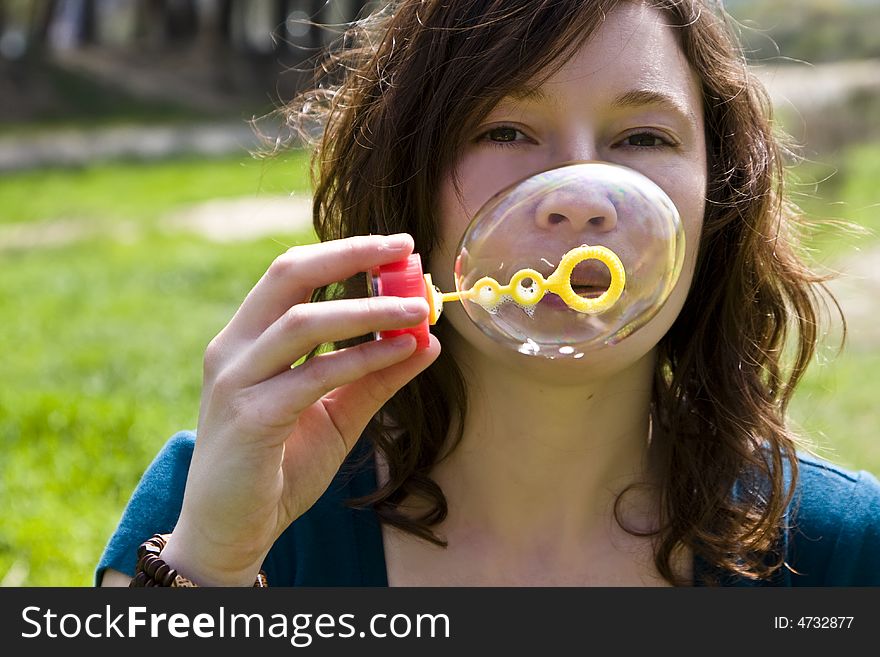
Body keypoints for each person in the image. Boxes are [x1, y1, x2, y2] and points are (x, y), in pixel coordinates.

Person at [97, 0, 880, 587]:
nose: (579, 196)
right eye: (504, 129)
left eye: (643, 137)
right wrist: (216, 561)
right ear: (409, 187)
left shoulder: (841, 550)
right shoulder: (223, 496)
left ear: (719, 201)